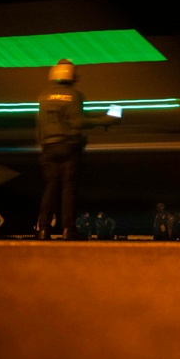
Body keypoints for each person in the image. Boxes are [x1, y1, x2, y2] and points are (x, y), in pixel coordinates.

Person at [36, 59, 120, 241]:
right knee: (68, 189)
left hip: (49, 147)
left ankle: (43, 229)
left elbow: (39, 125)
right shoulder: (74, 95)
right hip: (69, 147)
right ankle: (68, 229)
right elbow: (79, 121)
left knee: (50, 188)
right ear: (72, 75)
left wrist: (43, 148)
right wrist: (105, 120)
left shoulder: (44, 96)